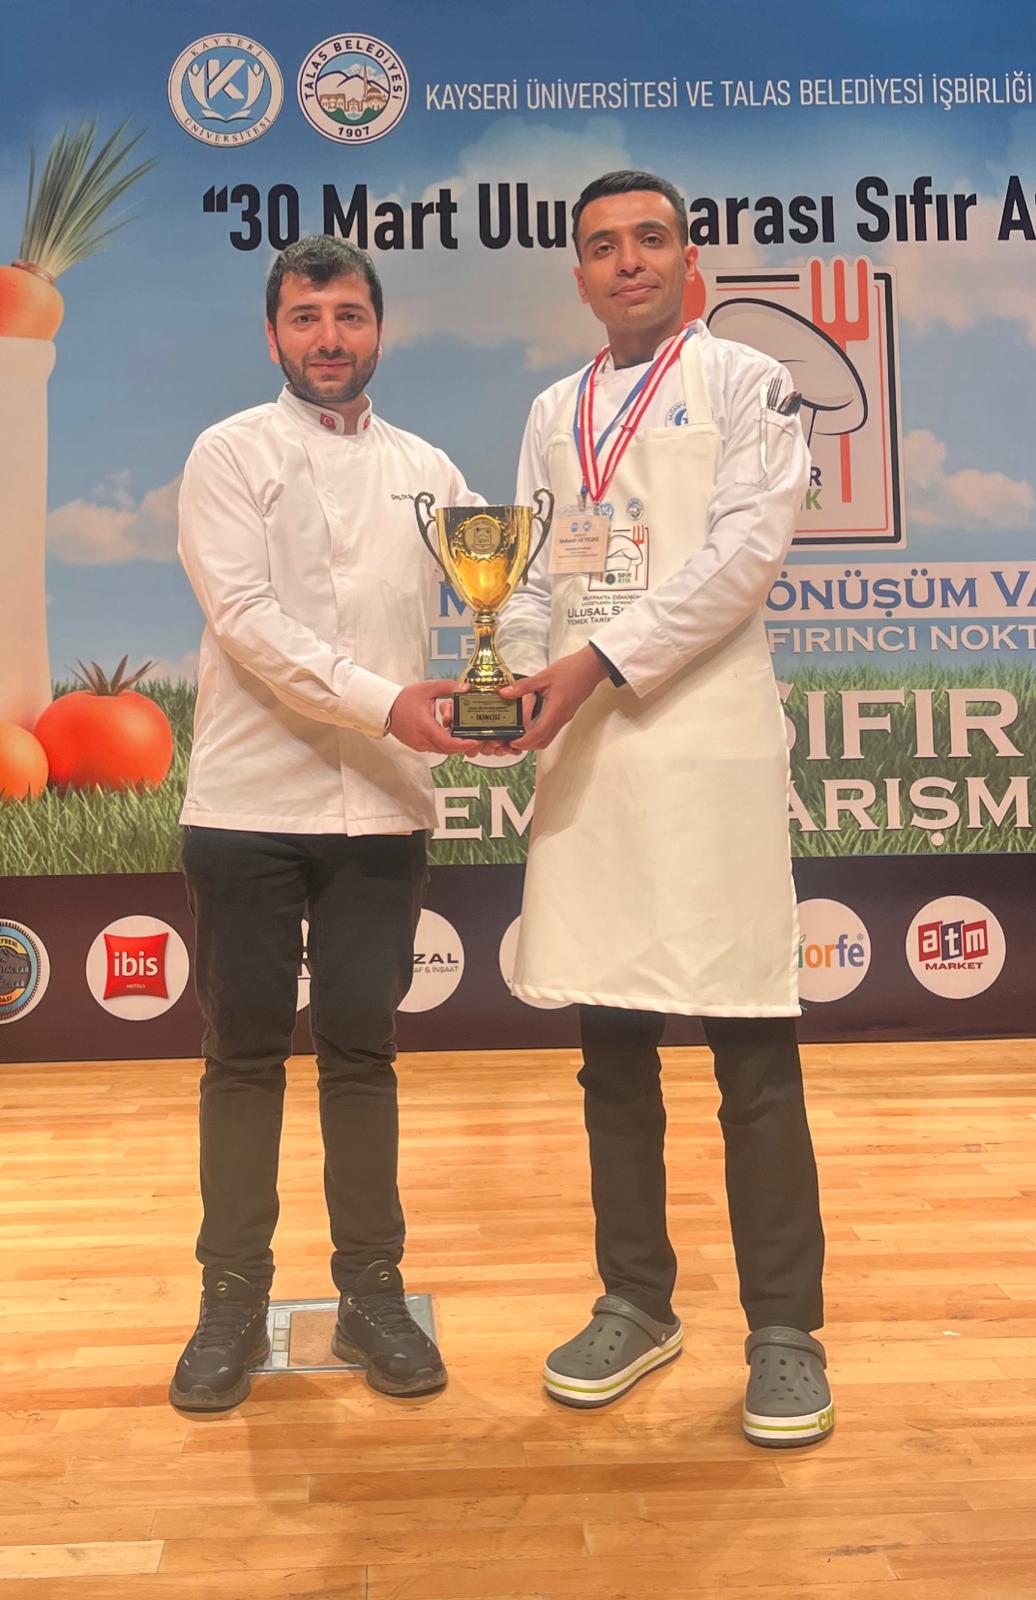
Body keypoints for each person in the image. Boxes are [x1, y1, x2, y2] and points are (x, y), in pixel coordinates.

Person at [494, 171, 833, 1448]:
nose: (627, 260)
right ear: (578, 275)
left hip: (704, 748)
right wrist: (518, 670)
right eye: (602, 246)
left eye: (650, 239)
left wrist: (592, 663)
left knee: (753, 1051)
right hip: (589, 758)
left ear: (691, 261)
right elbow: (531, 571)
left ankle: (786, 1331)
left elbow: (743, 559)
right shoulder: (552, 409)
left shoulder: (747, 383)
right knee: (613, 1051)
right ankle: (635, 1300)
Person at [170, 235, 483, 1412]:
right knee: (243, 1058)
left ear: (378, 329)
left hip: (385, 811)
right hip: (247, 806)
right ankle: (230, 1302)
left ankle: (371, 1294)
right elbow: (247, 621)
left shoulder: (429, 469)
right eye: (306, 318)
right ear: (273, 337)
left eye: (349, 315)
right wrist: (388, 702)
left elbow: (505, 591)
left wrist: (532, 673)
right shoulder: (229, 453)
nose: (330, 338)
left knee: (361, 1054)